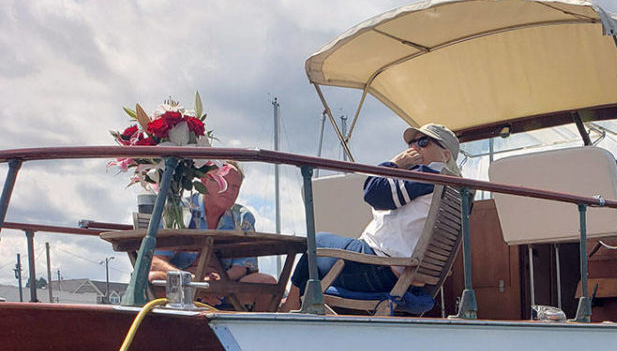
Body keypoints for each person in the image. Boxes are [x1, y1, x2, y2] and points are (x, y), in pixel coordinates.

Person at [282, 123, 460, 313]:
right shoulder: (456, 190)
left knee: (316, 243)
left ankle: (289, 306)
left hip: (380, 271)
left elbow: (372, 191)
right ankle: (301, 306)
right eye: (411, 144)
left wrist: (395, 163)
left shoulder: (426, 177)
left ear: (445, 155)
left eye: (423, 142)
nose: (413, 148)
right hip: (410, 279)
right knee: (317, 266)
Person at [148, 162, 277, 310]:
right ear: (204, 181)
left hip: (226, 284)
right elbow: (156, 260)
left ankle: (255, 331)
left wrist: (216, 282)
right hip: (183, 284)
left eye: (235, 187)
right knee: (154, 278)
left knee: (267, 283)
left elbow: (242, 267)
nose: (229, 191)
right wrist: (191, 280)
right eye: (223, 183)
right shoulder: (179, 211)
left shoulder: (242, 217)